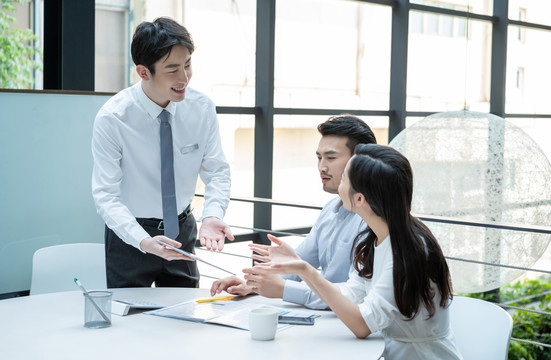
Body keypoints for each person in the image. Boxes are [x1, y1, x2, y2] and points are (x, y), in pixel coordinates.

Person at [250, 144, 462, 359]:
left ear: (360, 199)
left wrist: (306, 270)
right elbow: (351, 293)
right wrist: (298, 264)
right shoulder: (376, 237)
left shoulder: (408, 253)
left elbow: (361, 326)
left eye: (344, 179)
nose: (339, 184)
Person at [92, 17, 234, 289]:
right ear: (144, 72)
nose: (184, 79)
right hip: (132, 237)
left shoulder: (201, 108)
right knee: (131, 322)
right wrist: (143, 240)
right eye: (172, 70)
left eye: (188, 65)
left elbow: (217, 170)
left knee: (185, 319)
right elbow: (105, 195)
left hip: (183, 232)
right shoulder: (113, 118)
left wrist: (213, 215)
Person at [210, 114, 377, 309]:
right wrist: (252, 284)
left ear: (360, 162)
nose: (322, 167)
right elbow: (299, 265)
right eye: (319, 157)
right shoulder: (331, 209)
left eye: (331, 158)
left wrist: (284, 289)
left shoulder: (374, 219)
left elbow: (356, 295)